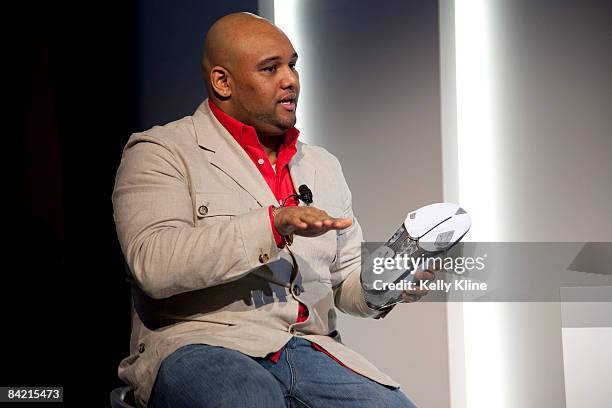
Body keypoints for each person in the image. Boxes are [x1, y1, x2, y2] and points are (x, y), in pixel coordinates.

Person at [113, 12, 434, 408]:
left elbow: (345, 283)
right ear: (222, 81)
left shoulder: (321, 165)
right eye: (271, 68)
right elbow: (154, 264)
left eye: (293, 65)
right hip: (199, 342)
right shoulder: (161, 151)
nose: (290, 79)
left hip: (306, 347)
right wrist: (272, 224)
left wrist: (388, 280)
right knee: (251, 398)